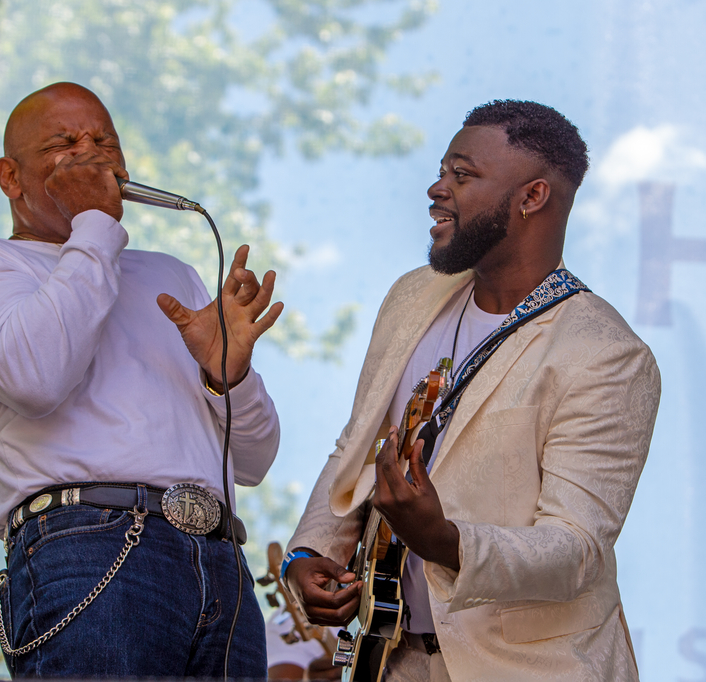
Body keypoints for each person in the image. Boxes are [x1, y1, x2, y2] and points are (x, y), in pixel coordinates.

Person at [283, 100, 661, 681]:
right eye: (442, 171)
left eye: (462, 175)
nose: (437, 189)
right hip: (390, 658)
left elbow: (575, 550)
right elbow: (358, 445)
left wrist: (446, 541)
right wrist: (310, 552)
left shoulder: (605, 353)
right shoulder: (413, 297)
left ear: (532, 197)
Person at [0, 82, 283, 678]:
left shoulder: (169, 274)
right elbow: (35, 378)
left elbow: (252, 460)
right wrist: (94, 223)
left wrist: (229, 377)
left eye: (105, 142)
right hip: (89, 544)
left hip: (221, 561)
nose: (90, 154)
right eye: (64, 144)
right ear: (11, 178)